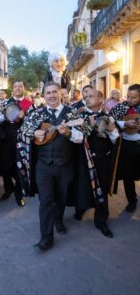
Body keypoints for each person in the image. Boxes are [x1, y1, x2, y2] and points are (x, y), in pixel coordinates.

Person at [22, 82, 83, 251]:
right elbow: (24, 130)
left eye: (54, 92)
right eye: (48, 93)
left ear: (61, 93)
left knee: (62, 197)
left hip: (65, 164)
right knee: (46, 200)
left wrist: (69, 133)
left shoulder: (71, 113)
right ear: (44, 95)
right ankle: (46, 237)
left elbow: (82, 136)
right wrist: (34, 132)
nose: (51, 95)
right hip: (44, 165)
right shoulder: (37, 113)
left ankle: (58, 219)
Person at [74, 89, 118, 238]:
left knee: (102, 190)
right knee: (82, 186)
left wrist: (112, 131)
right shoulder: (78, 116)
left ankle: (101, 221)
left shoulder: (108, 117)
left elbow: (115, 141)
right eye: (85, 96)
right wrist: (88, 126)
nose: (87, 98)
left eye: (91, 96)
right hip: (83, 159)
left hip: (102, 160)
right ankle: (80, 209)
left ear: (101, 99)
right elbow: (74, 138)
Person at [0, 81, 34, 204]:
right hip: (6, 140)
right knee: (5, 167)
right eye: (16, 86)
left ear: (24, 88)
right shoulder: (6, 102)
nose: (18, 88)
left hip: (22, 141)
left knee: (20, 168)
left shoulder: (28, 103)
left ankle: (19, 194)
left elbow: (34, 121)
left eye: (20, 86)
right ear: (12, 89)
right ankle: (8, 189)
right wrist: (6, 116)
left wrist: (24, 116)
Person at [110, 84, 140, 213]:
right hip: (126, 145)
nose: (129, 99)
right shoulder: (121, 106)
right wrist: (124, 123)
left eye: (133, 97)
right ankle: (132, 200)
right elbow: (109, 120)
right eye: (128, 96)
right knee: (128, 175)